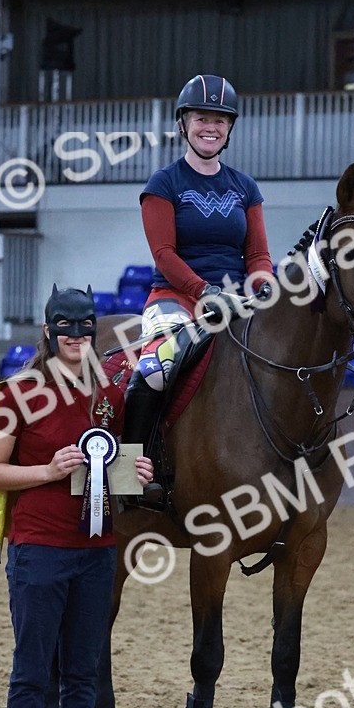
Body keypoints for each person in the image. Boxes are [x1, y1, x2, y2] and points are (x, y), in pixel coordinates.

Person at [0, 286, 154, 708]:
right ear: (48, 332)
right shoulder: (14, 393)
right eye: (66, 327)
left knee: (82, 670)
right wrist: (46, 471)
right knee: (31, 669)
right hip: (37, 549)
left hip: (97, 549)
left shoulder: (110, 395)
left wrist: (133, 472)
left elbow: (103, 467)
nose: (76, 336)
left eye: (85, 327)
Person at [123, 73, 275, 450]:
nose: (211, 127)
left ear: (230, 128)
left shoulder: (246, 187)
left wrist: (265, 286)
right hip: (176, 296)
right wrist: (205, 291)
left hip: (236, 299)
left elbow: (256, 255)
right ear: (183, 124)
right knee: (154, 371)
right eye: (201, 118)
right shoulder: (163, 183)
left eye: (219, 120)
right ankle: (129, 469)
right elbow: (164, 255)